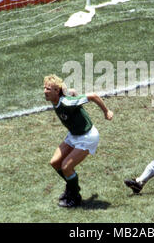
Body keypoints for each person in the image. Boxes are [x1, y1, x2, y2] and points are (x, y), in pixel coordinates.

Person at [44, 74, 113, 208]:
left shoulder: (66, 102)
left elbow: (92, 96)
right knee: (55, 162)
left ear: (56, 91)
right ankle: (72, 187)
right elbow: (69, 91)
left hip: (87, 137)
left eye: (48, 89)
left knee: (66, 167)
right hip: (73, 135)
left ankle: (75, 197)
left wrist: (106, 111)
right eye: (44, 88)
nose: (45, 92)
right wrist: (72, 92)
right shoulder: (57, 99)